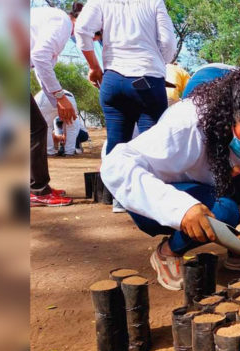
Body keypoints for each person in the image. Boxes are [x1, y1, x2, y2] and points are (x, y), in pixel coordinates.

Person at [100, 68, 240, 290]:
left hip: (211, 187)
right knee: (225, 212)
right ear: (229, 116)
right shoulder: (186, 124)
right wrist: (181, 209)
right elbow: (116, 165)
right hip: (161, 200)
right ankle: (167, 252)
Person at [75, 0, 176, 212]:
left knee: (116, 141)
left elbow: (82, 29)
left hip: (113, 79)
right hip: (147, 79)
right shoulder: (154, 2)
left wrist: (94, 67)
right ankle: (146, 201)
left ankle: (118, 199)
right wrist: (158, 62)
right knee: (150, 143)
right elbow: (168, 43)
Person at [29, 4, 79, 207]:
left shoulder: (53, 20)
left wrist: (56, 102)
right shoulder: (63, 22)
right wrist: (60, 97)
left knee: (34, 127)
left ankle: (39, 187)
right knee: (36, 128)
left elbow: (42, 68)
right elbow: (39, 57)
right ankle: (38, 190)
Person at [34, 89, 83, 157]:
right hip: (68, 98)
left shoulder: (37, 97)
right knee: (71, 127)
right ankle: (69, 152)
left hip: (47, 98)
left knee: (47, 127)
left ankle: (49, 152)